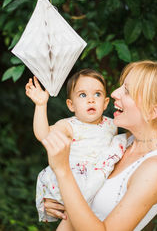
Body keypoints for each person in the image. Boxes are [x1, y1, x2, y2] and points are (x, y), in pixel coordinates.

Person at [41, 60, 157, 231]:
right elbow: (83, 195)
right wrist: (58, 198)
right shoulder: (120, 143)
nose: (115, 93)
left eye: (127, 91)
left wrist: (62, 171)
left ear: (152, 111)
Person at [25, 68, 127, 226]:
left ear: (106, 103)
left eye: (97, 94)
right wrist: (40, 105)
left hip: (96, 181)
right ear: (71, 105)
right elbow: (43, 135)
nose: (91, 100)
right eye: (83, 95)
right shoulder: (69, 125)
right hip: (74, 179)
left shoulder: (112, 125)